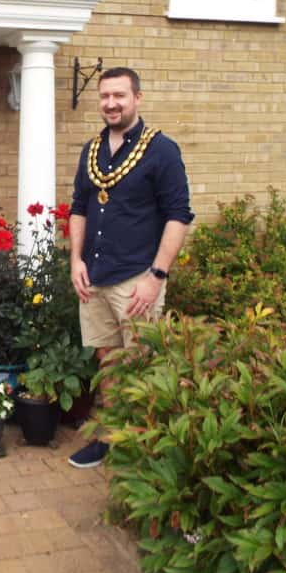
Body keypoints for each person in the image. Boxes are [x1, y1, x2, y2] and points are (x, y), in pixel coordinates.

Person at [67, 67, 194, 468]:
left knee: (142, 367)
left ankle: (143, 454)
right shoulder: (91, 150)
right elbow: (78, 208)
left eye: (119, 95)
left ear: (137, 97)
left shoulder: (162, 150)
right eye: (105, 96)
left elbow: (178, 216)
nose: (111, 103)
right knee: (109, 363)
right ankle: (109, 439)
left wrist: (156, 277)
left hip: (138, 277)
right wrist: (75, 260)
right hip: (96, 278)